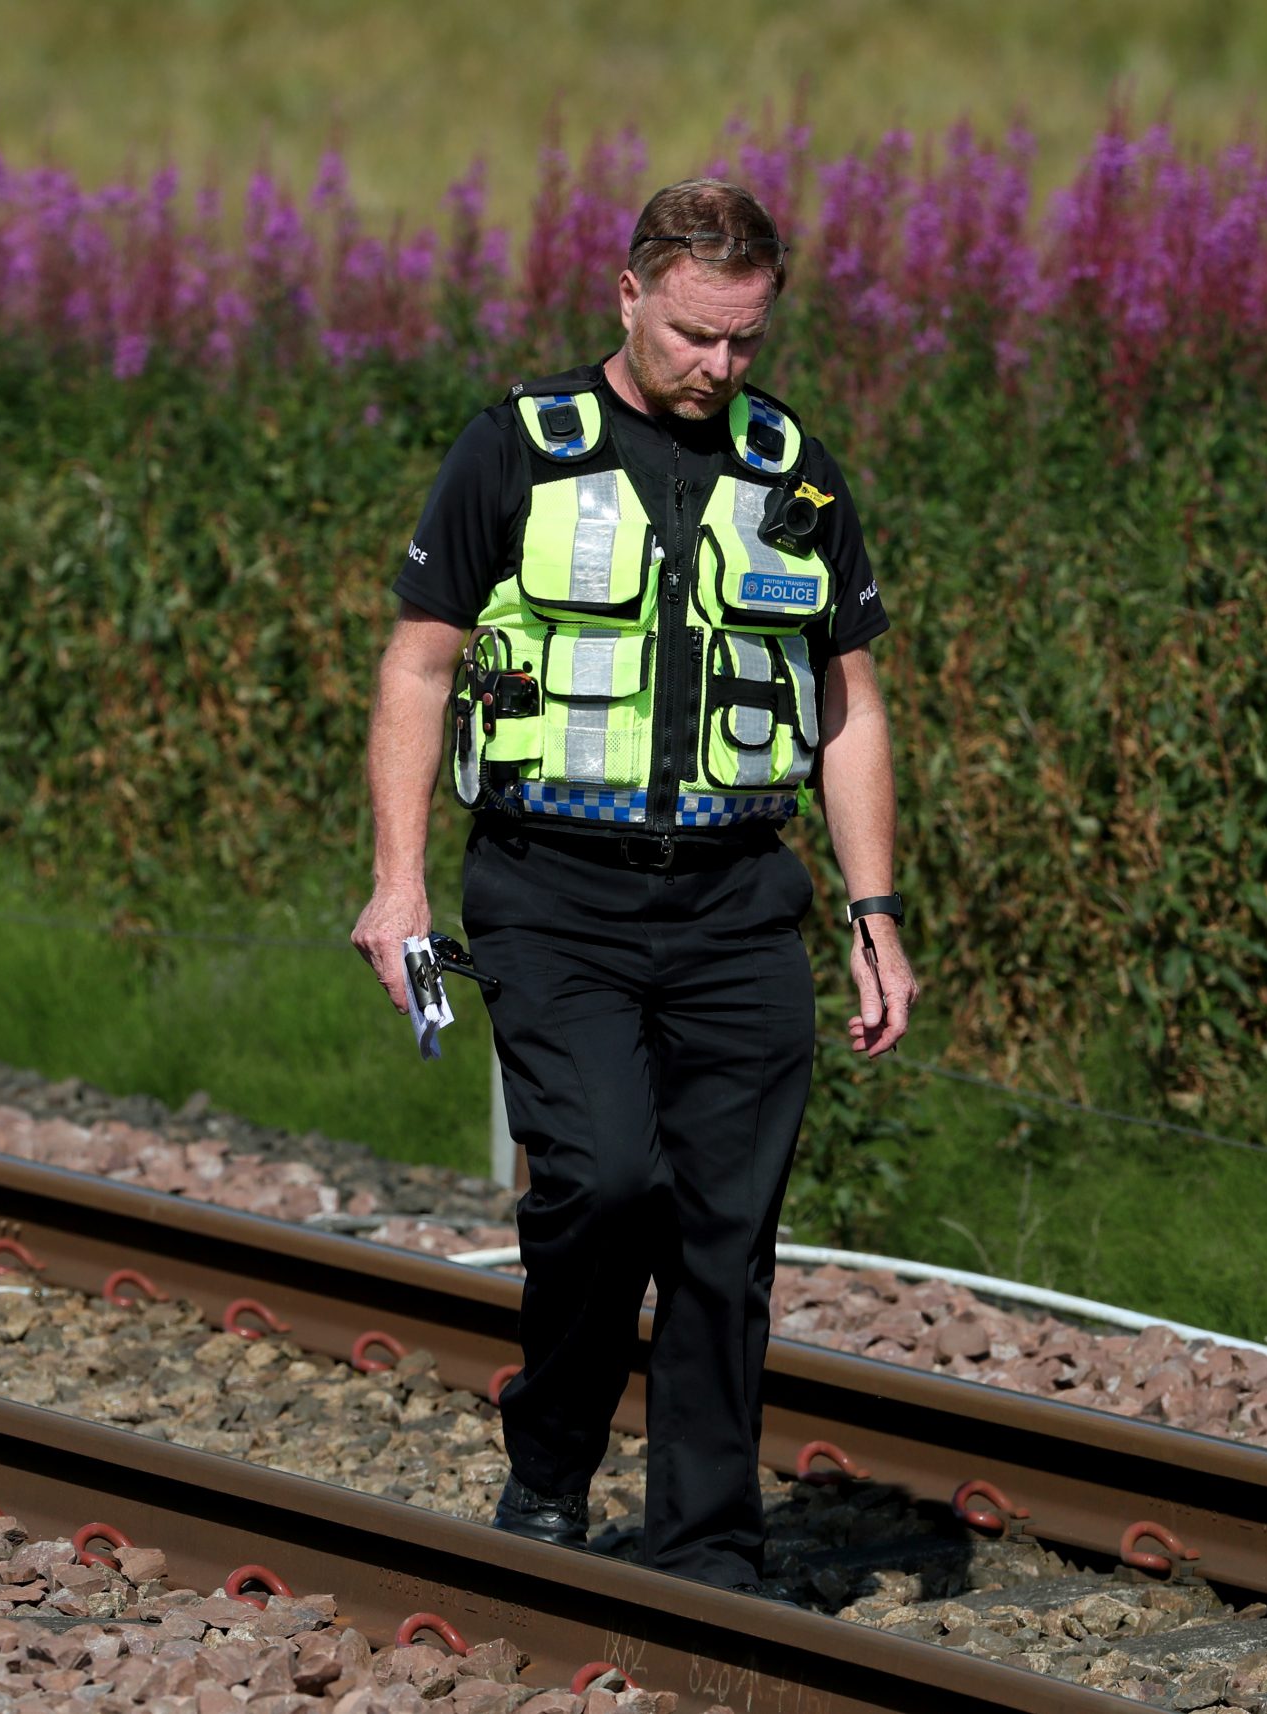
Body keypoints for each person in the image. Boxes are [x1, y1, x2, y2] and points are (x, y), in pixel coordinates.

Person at [349, 179, 918, 1595]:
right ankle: (550, 1457)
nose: (724, 368)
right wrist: (398, 884)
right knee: (603, 1181)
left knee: (727, 1235)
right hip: (554, 892)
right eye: (698, 337)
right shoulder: (515, 451)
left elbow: (851, 706)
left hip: (738, 901)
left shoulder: (799, 471)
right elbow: (419, 666)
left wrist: (875, 911)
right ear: (629, 296)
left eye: (746, 340)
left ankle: (705, 1544)